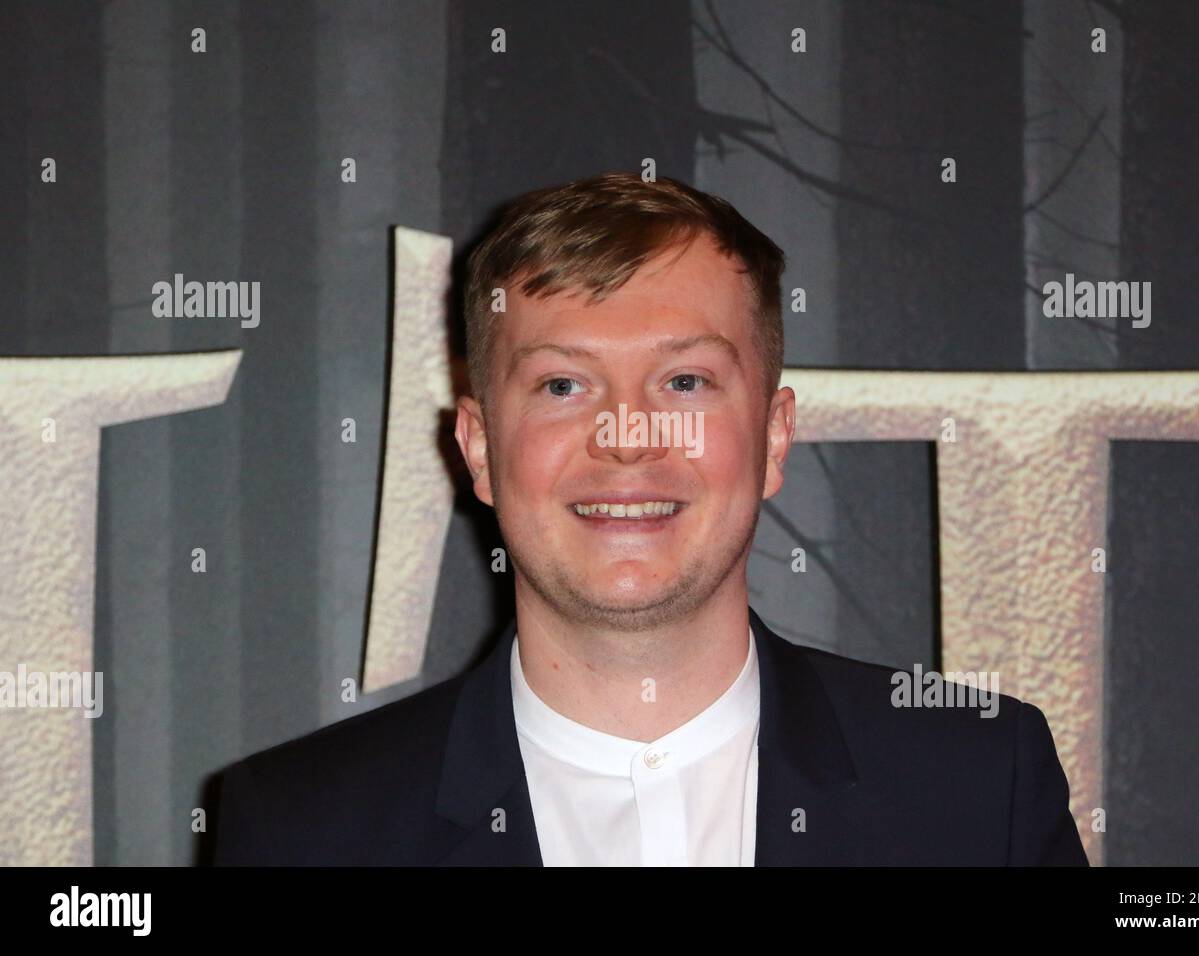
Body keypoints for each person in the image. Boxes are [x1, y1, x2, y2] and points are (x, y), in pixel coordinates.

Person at [214, 172, 1088, 866]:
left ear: (773, 437)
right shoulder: (302, 833)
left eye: (684, 382)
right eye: (564, 385)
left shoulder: (979, 791)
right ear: (479, 447)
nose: (627, 437)